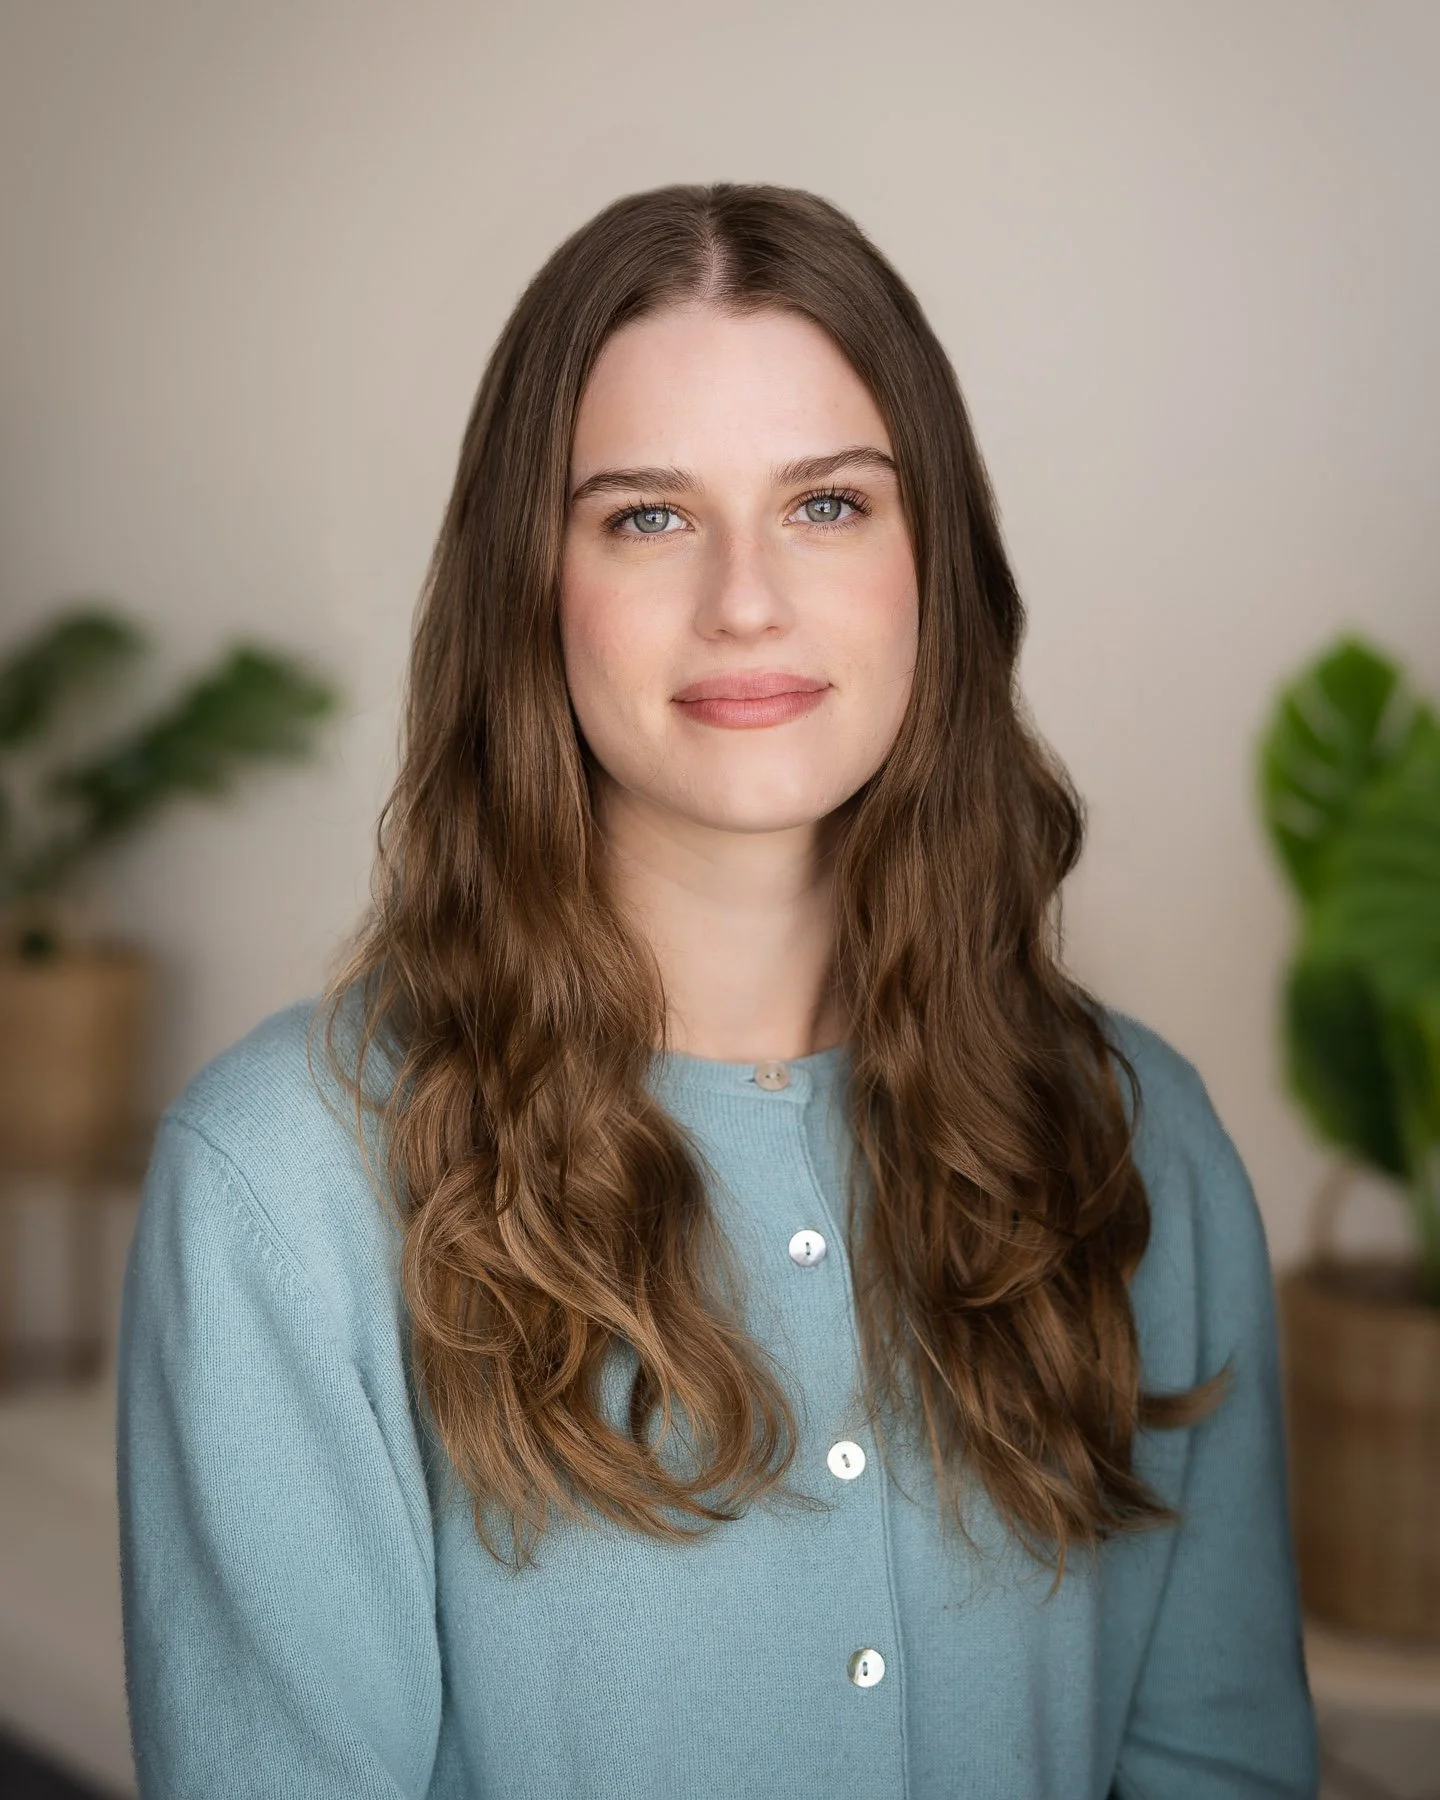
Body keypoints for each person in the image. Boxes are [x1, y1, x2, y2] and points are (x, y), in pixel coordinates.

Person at [116, 182, 1319, 1798]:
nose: (745, 599)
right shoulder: (279, 1184)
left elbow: (1216, 1761)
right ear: (529, 587)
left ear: (932, 566)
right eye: (648, 515)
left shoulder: (1137, 1137)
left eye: (828, 505)